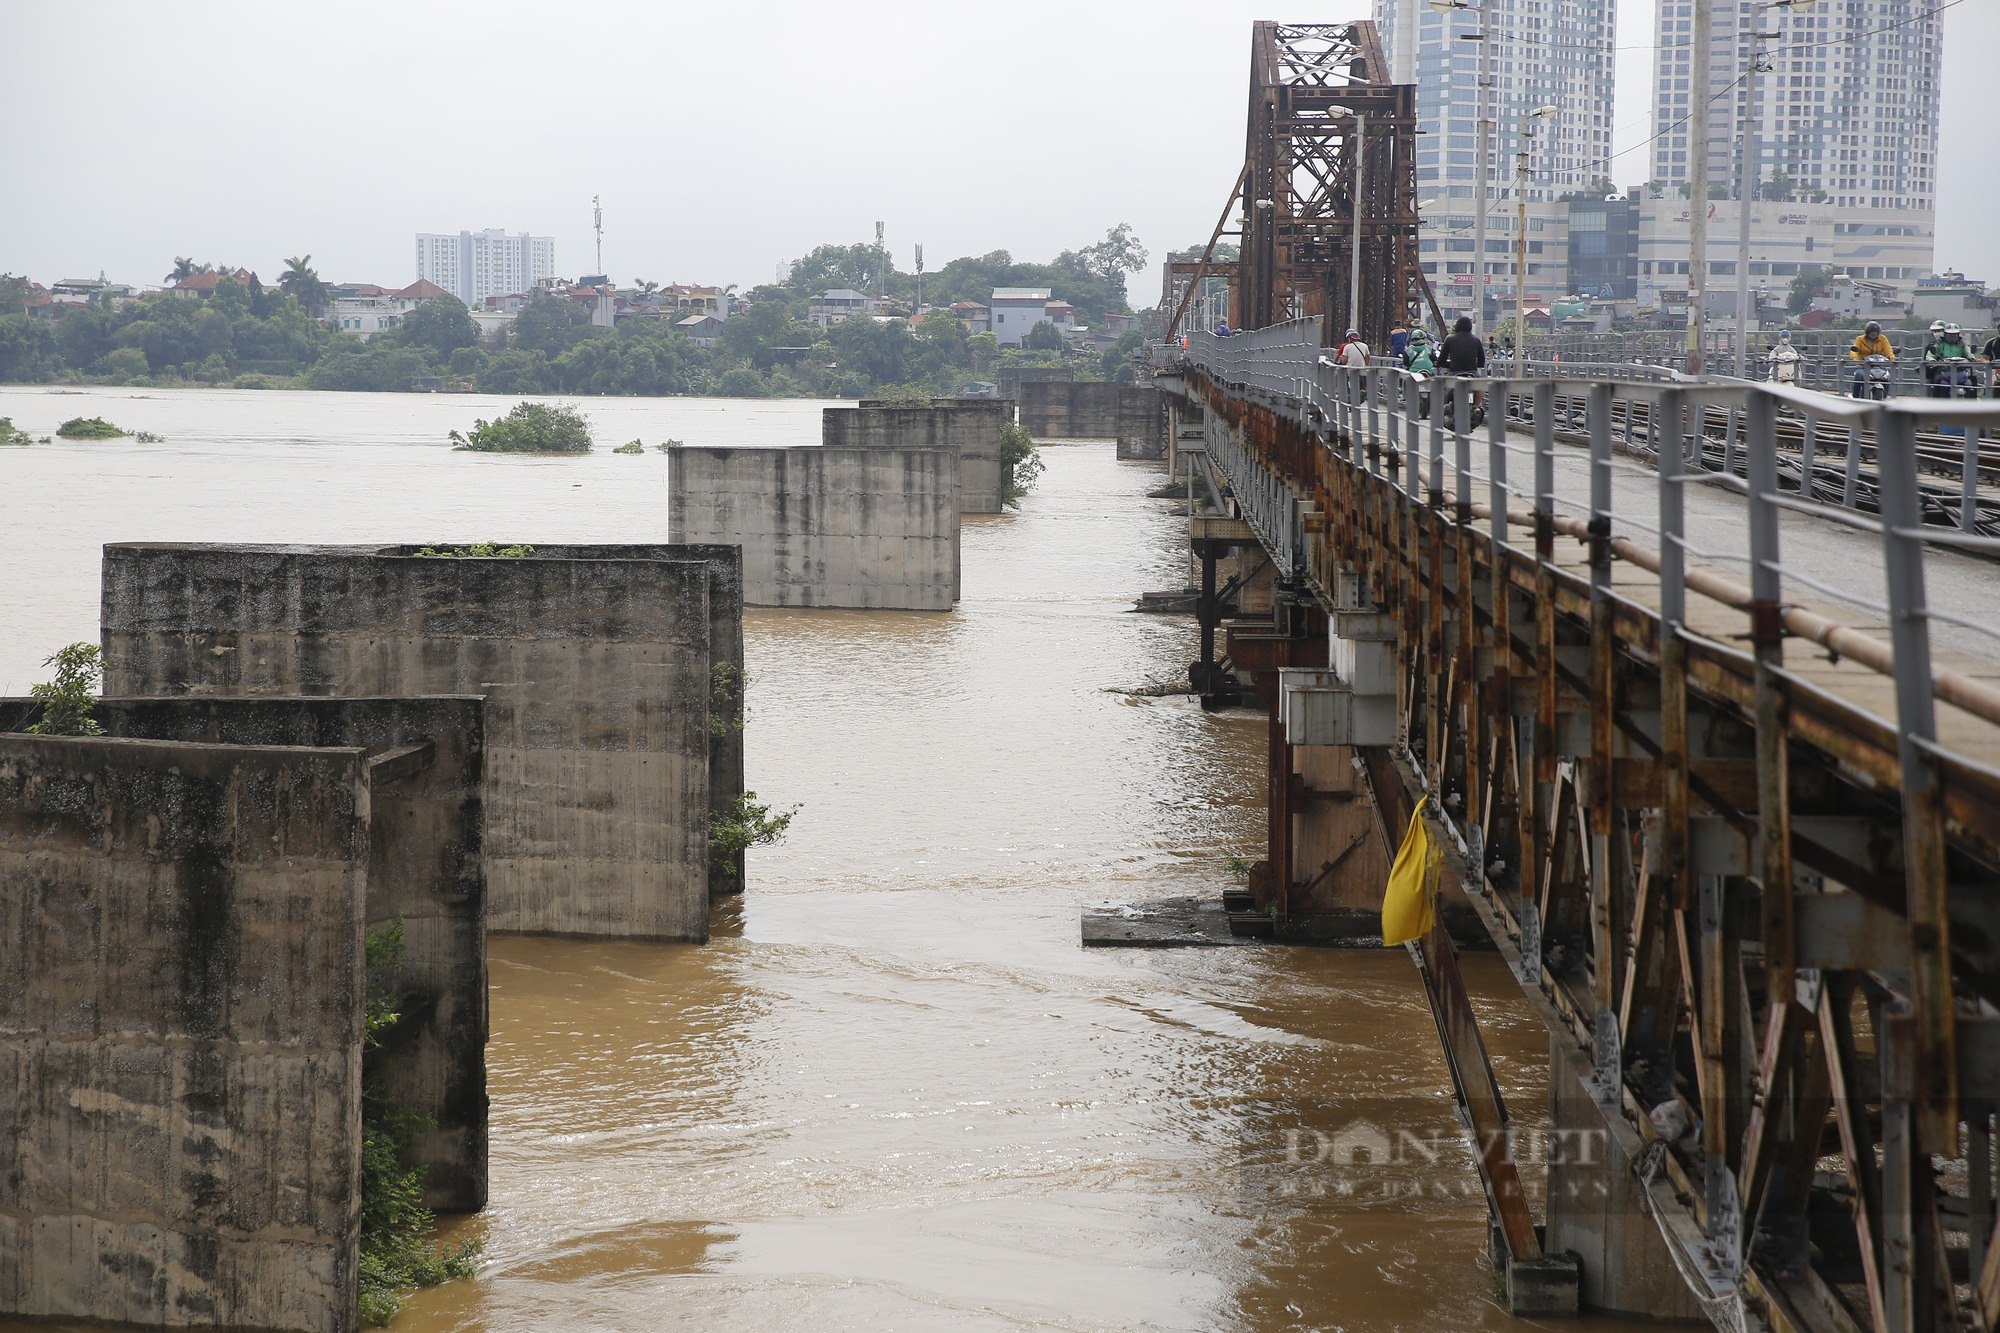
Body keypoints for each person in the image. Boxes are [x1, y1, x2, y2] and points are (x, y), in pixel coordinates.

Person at [1438, 316, 1486, 412]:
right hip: (1472, 373)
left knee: (1441, 386)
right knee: (1481, 386)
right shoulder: (1476, 340)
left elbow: (1441, 360)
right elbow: (1482, 360)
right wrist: (1474, 364)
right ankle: (1476, 407)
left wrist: (1448, 364)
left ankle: (1444, 405)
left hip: (1454, 372)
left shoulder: (1450, 339)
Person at [1925, 323, 1976, 397]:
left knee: (1972, 380)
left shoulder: (1962, 344)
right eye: (1950, 335)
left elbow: (1968, 352)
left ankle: (1973, 403)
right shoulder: (1939, 343)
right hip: (1943, 370)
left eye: (1954, 335)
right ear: (1945, 334)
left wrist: (1972, 358)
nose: (1952, 337)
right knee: (1937, 382)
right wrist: (1932, 361)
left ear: (1958, 334)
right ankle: (1935, 402)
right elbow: (1931, 354)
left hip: (1960, 370)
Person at [1849, 320, 1894, 397]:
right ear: (1867, 332)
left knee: (1887, 376)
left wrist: (1891, 357)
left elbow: (1888, 349)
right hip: (1863, 365)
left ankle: (1885, 395)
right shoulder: (1860, 339)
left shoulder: (1882, 338)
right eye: (1871, 332)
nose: (1874, 334)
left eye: (1876, 332)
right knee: (1859, 375)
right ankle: (1855, 396)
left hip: (1878, 365)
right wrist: (1855, 358)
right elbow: (1854, 350)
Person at [1921, 320, 1947, 393]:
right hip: (1938, 370)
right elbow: (1928, 357)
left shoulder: (1958, 343)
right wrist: (1933, 362)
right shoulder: (1932, 345)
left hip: (1957, 369)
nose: (1936, 333)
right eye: (1934, 331)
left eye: (1939, 330)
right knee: (1934, 381)